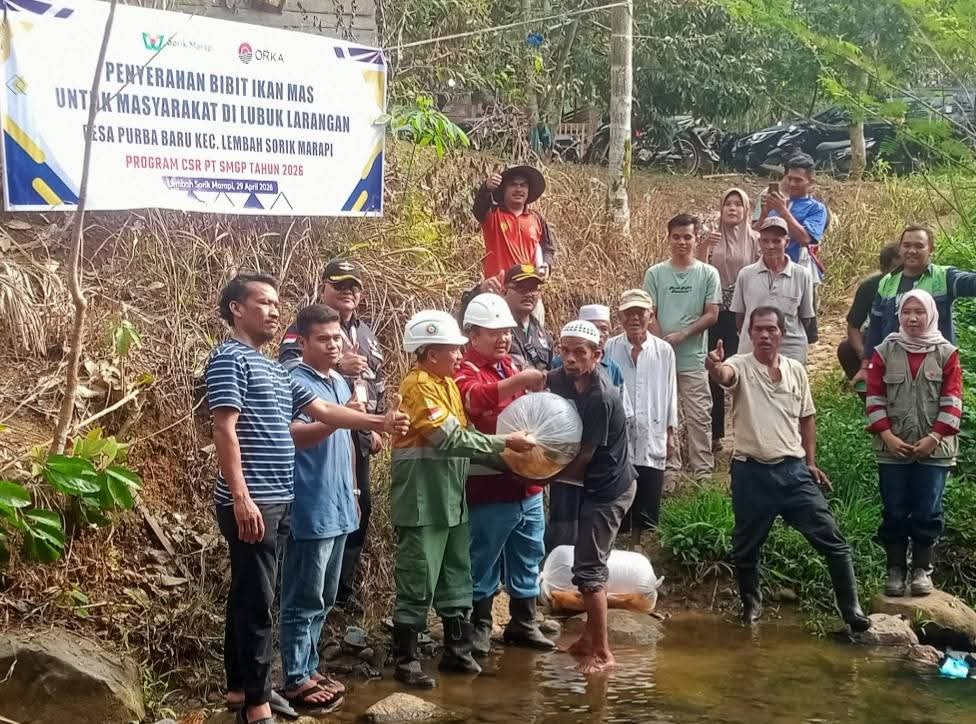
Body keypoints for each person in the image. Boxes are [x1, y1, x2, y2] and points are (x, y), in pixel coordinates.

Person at [205, 274, 408, 724]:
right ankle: (258, 705)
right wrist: (240, 496)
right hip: (254, 498)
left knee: (248, 594)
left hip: (279, 498)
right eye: (263, 302)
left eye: (277, 303)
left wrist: (379, 422)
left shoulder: (275, 369)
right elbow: (224, 428)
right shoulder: (228, 358)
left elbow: (325, 411)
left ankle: (241, 689)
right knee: (258, 600)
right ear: (237, 309)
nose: (274, 310)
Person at [391, 310, 536, 689]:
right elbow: (450, 439)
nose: (459, 355)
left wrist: (518, 459)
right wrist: (506, 444)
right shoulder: (417, 386)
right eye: (453, 349)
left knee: (457, 574)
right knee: (418, 575)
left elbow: (468, 438)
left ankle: (457, 650)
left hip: (452, 498)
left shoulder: (448, 385)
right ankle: (406, 660)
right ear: (430, 353)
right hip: (423, 500)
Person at [705, 306, 871, 633]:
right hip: (751, 472)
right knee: (746, 547)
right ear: (750, 334)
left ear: (782, 333)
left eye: (771, 329)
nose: (765, 335)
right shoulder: (740, 365)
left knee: (833, 540)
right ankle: (751, 607)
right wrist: (714, 367)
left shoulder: (796, 370)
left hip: (793, 472)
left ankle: (851, 609)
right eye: (758, 330)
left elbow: (807, 418)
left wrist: (811, 462)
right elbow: (725, 376)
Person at [279, 258, 385, 613]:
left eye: (353, 286)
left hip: (358, 431)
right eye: (339, 285)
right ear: (324, 286)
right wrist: (338, 363)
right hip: (319, 425)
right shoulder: (306, 326)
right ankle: (302, 597)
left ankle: (341, 590)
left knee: (357, 505)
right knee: (317, 515)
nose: (347, 292)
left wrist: (373, 422)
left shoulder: (366, 334)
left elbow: (378, 380)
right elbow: (290, 368)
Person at [454, 294, 554, 657]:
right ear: (472, 335)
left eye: (507, 332)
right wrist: (518, 382)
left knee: (530, 549)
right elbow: (473, 400)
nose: (503, 339)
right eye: (494, 332)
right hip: (489, 484)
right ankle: (480, 624)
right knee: (483, 555)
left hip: (527, 483)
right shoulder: (463, 368)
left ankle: (523, 621)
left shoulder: (511, 365)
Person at [279, 305, 360, 710]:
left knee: (325, 596)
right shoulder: (294, 380)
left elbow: (346, 441)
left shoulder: (339, 382)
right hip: (310, 504)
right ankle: (295, 678)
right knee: (303, 595)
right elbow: (295, 435)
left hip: (340, 502)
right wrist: (342, 420)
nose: (333, 345)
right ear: (304, 342)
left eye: (336, 337)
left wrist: (355, 493)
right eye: (323, 339)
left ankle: (309, 668)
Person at [549, 320, 637, 674]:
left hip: (609, 489)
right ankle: (587, 639)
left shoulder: (602, 396)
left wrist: (540, 474)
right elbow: (539, 382)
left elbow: (584, 456)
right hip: (591, 485)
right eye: (565, 351)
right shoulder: (563, 377)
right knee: (587, 562)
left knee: (588, 569)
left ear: (597, 355)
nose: (570, 359)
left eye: (579, 353)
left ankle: (602, 653)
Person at [865, 290, 963, 597]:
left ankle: (922, 570)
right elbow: (874, 398)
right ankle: (895, 570)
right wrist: (887, 435)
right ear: (899, 315)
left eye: (919, 312)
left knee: (927, 510)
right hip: (891, 449)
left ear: (931, 314)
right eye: (906, 312)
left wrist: (934, 438)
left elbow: (953, 400)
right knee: (894, 509)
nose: (912, 318)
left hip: (935, 450)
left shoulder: (946, 353)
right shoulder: (885, 351)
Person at [644, 213, 720, 478]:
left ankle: (703, 471)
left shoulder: (708, 273)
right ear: (668, 238)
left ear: (696, 238)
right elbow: (649, 313)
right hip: (662, 358)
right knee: (666, 414)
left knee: (699, 415)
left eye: (687, 237)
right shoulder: (655, 273)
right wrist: (662, 344)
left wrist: (683, 334)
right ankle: (670, 468)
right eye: (676, 237)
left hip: (694, 357)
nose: (682, 242)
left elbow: (712, 313)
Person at [856, 224, 976, 386]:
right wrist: (867, 366)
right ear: (900, 248)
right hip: (894, 366)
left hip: (935, 365)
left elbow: (970, 283)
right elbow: (875, 327)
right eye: (907, 245)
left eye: (919, 246)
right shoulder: (888, 282)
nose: (912, 251)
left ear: (931, 249)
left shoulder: (944, 277)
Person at [604, 289, 677, 547]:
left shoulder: (664, 350)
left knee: (648, 483)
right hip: (619, 430)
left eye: (640, 312)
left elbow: (670, 391)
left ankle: (638, 544)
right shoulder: (610, 348)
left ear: (651, 316)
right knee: (619, 485)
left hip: (652, 426)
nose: (634, 318)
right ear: (620, 317)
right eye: (629, 313)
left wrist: (670, 432)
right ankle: (616, 544)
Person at [698, 188, 760, 451]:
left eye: (738, 204)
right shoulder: (711, 238)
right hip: (715, 313)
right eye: (728, 204)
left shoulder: (756, 239)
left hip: (743, 314)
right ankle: (715, 435)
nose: (732, 208)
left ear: (746, 210)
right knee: (714, 370)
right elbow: (699, 272)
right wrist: (704, 247)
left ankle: (744, 435)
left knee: (742, 371)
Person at [731, 217, 816, 364]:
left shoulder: (802, 275)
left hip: (790, 352)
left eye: (776, 241)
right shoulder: (746, 274)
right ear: (759, 242)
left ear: (786, 242)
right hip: (751, 351)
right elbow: (740, 316)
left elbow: (806, 318)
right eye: (765, 241)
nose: (770, 246)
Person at [472, 165, 555, 293]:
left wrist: (547, 264)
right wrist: (486, 188)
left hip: (528, 292)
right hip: (497, 291)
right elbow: (479, 208)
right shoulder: (492, 214)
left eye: (523, 185)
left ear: (528, 190)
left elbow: (547, 248)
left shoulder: (536, 218)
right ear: (504, 189)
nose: (518, 189)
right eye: (513, 184)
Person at [755, 153, 828, 287]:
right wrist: (764, 214)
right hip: (768, 270)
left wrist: (783, 211)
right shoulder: (775, 201)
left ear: (811, 182)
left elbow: (805, 239)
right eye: (790, 179)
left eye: (798, 180)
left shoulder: (817, 209)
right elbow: (754, 235)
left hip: (799, 274)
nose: (792, 184)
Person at [837, 242, 901, 382]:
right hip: (878, 337)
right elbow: (853, 326)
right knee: (846, 349)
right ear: (883, 269)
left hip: (910, 339)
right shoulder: (870, 287)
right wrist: (864, 355)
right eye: (896, 269)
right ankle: (866, 389)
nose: (901, 274)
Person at [552, 304, 624, 387]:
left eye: (604, 329)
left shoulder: (613, 368)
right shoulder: (558, 364)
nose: (599, 334)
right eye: (592, 328)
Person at [503, 264, 554, 370]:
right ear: (505, 290)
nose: (529, 294)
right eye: (522, 288)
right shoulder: (494, 330)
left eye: (533, 289)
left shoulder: (544, 336)